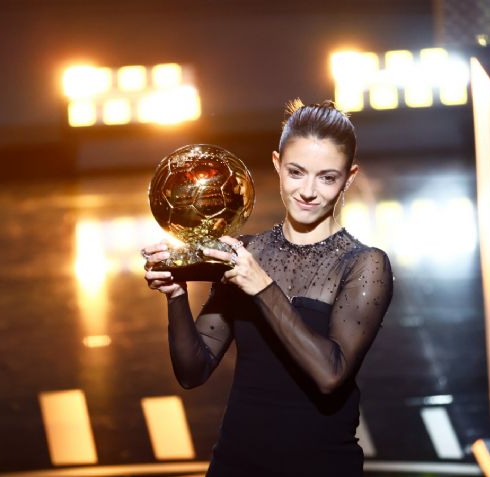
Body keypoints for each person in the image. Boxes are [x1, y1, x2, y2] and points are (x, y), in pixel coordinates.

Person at [142, 99, 393, 476]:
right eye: (296, 172)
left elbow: (330, 375)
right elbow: (193, 371)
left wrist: (261, 287)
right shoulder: (247, 252)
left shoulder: (364, 264)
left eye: (327, 177)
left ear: (349, 177)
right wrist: (176, 296)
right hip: (235, 465)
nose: (308, 191)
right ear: (277, 164)